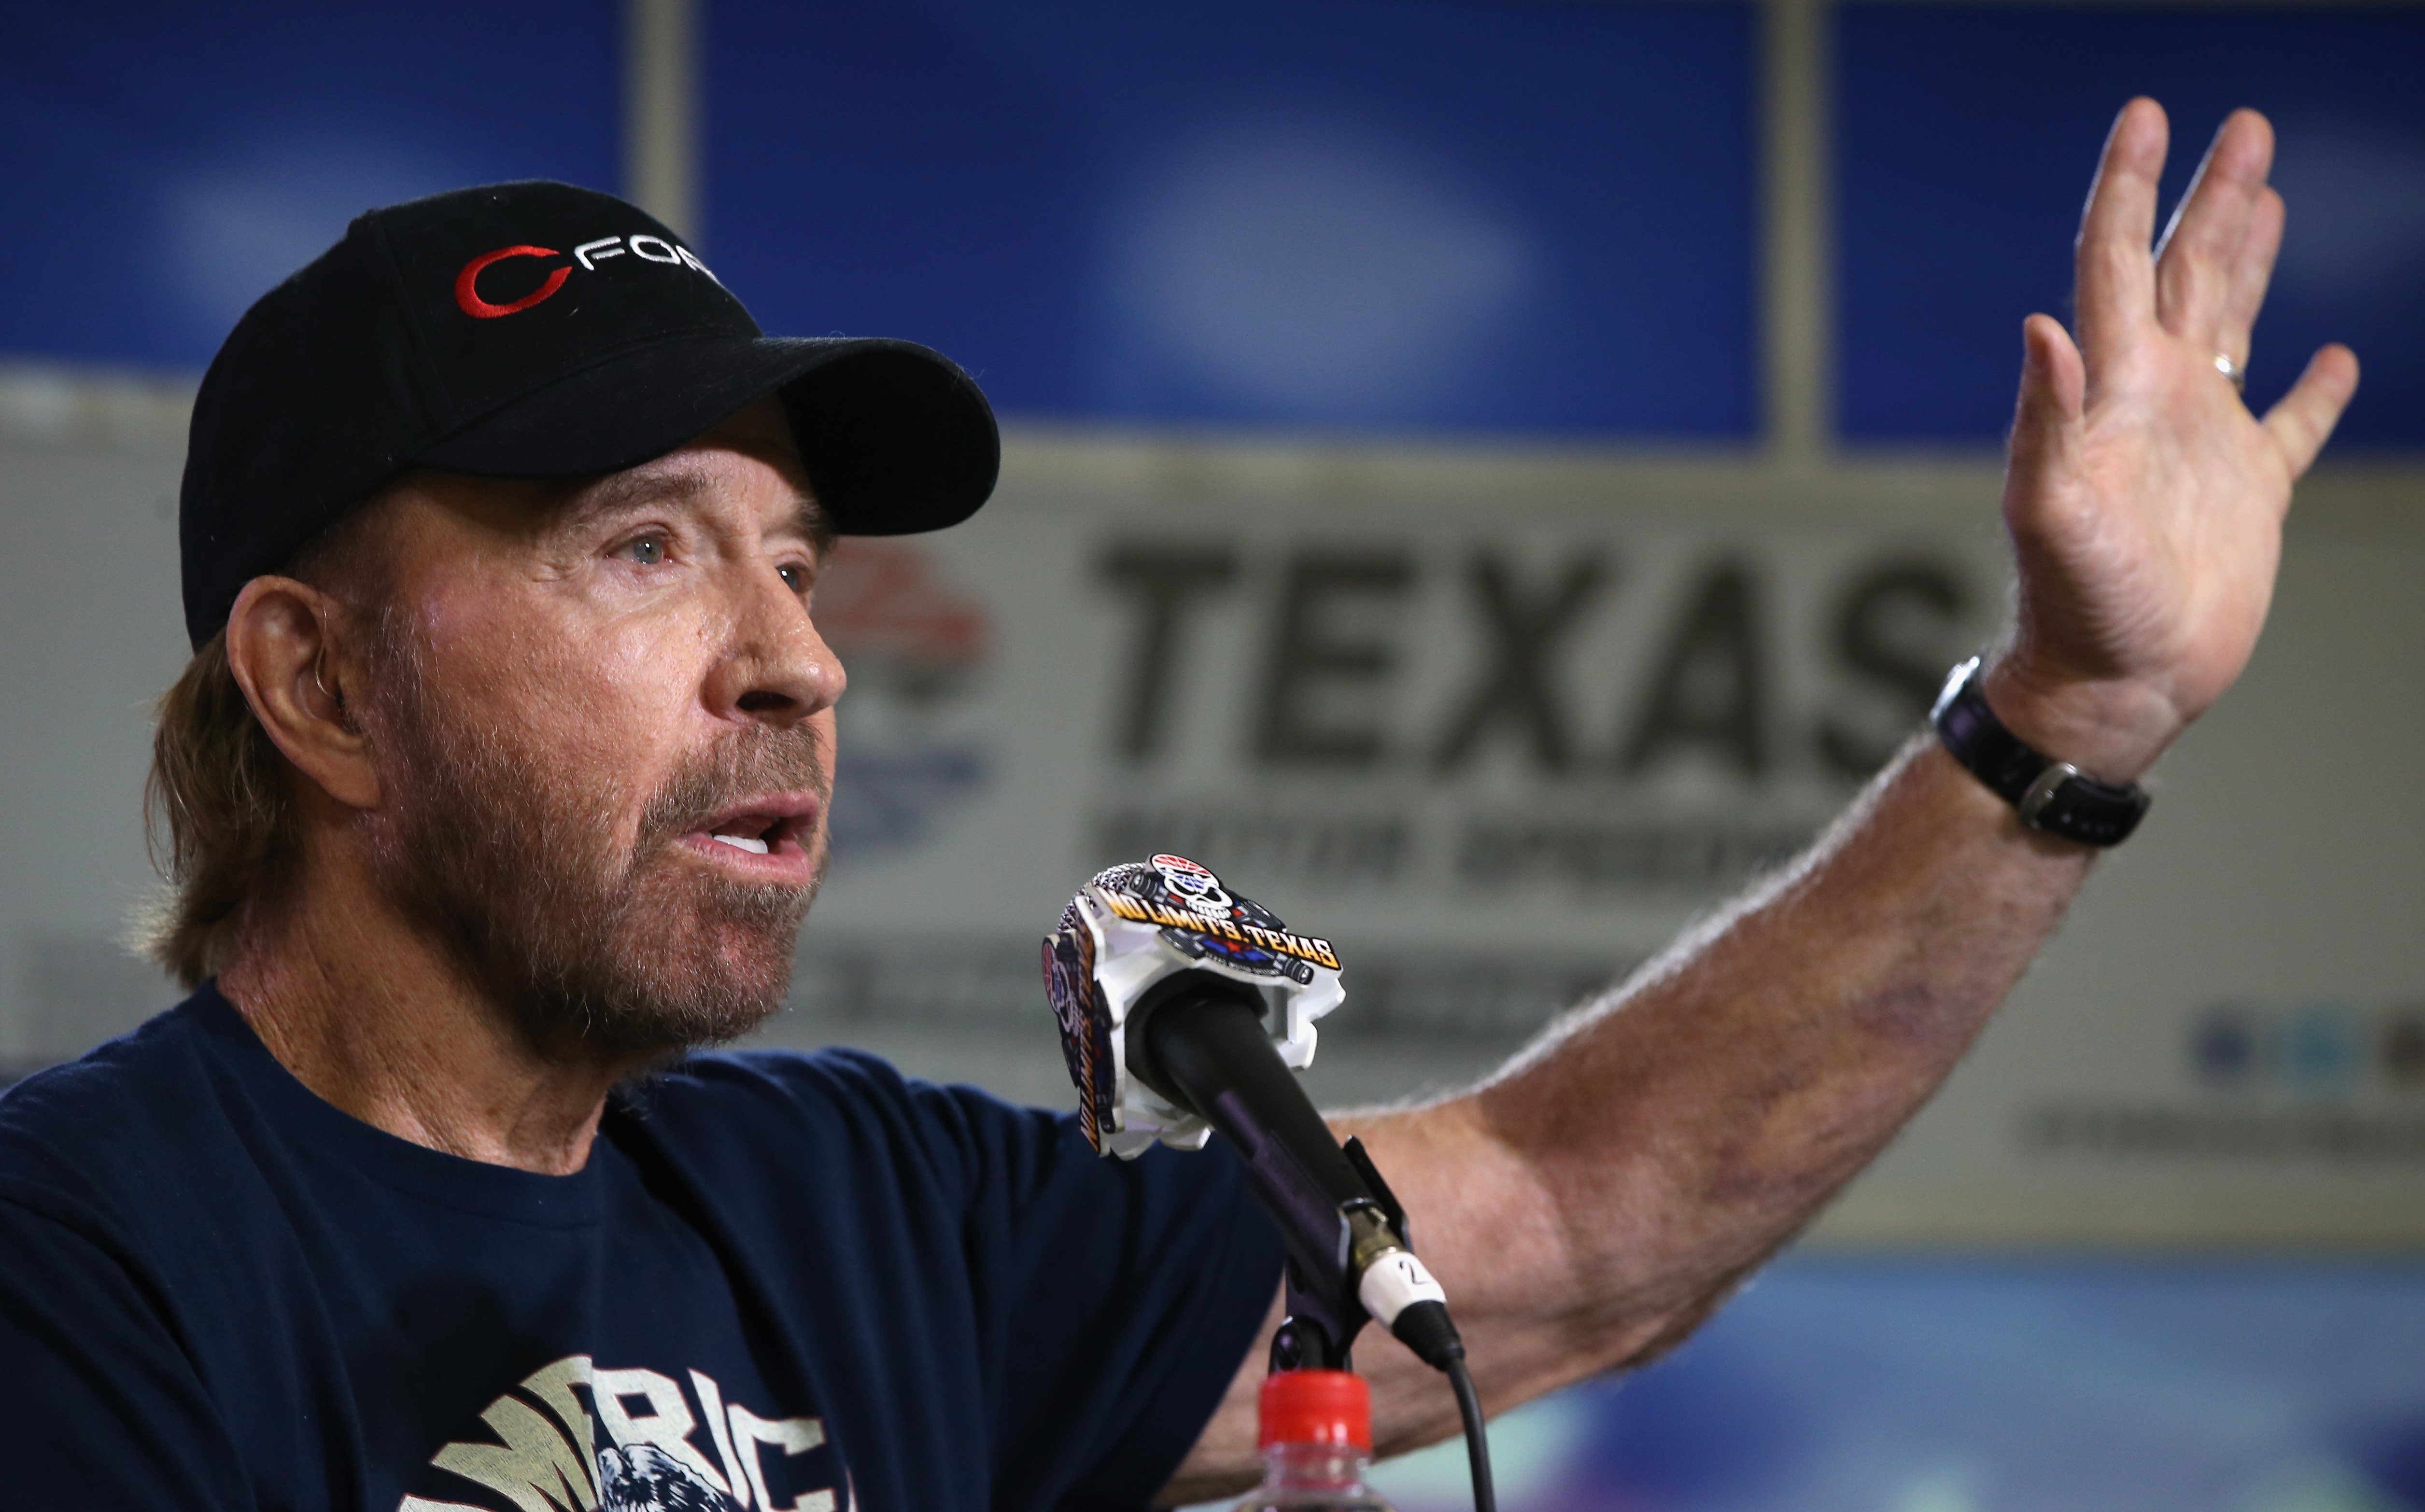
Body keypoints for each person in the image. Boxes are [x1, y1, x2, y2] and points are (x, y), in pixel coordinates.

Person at [0, 98, 2355, 1511]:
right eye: (642, 548)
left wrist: (2066, 714)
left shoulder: (863, 1213)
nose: (800, 660)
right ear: (317, 684)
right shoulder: (74, 1267)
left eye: (795, 563)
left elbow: (1577, 1212)